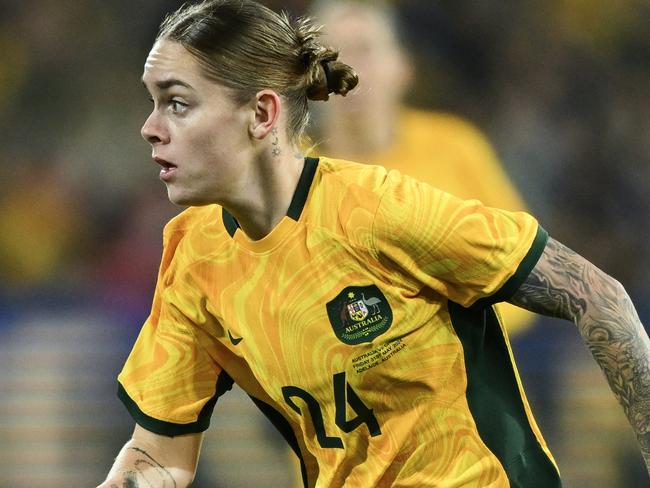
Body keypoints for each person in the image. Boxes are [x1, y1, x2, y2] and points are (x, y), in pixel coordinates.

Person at [97, 1, 650, 486]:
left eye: (177, 102)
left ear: (262, 114)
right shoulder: (194, 257)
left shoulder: (383, 209)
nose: (149, 127)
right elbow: (160, 458)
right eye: (152, 101)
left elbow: (595, 294)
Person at [307, 0, 536, 337]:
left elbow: (524, 270)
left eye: (365, 50)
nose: (348, 69)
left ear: (402, 68)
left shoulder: (456, 147)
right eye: (329, 56)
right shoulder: (291, 169)